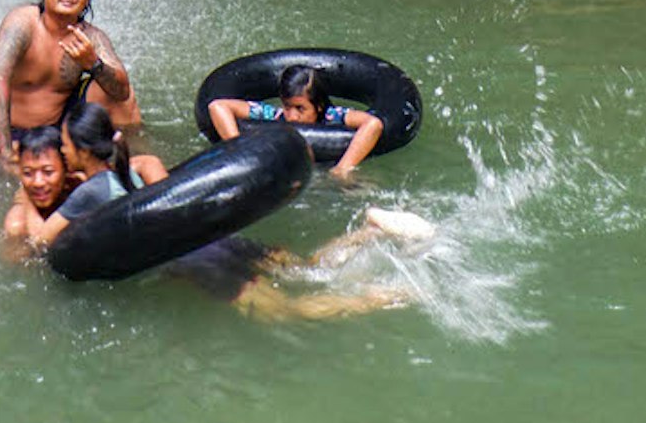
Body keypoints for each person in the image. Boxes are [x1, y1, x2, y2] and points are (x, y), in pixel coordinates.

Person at [47, 100, 410, 318]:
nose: (61, 151)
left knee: (289, 311)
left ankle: (384, 298)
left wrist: (23, 207)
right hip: (219, 241)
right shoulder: (139, 164)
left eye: (64, 145)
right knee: (307, 267)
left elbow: (37, 244)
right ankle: (371, 231)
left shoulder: (89, 193)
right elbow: (171, 194)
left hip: (200, 264)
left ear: (81, 149)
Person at [0, 0, 166, 183]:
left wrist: (93, 64)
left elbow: (122, 91)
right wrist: (5, 153)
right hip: (11, 129)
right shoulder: (23, 22)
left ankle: (133, 160)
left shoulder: (91, 37)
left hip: (58, 128)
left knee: (118, 97)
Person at [207, 65, 385, 181]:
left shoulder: (333, 117)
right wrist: (241, 150)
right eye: (287, 106)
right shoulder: (274, 116)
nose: (292, 117)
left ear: (319, 106)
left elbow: (373, 124)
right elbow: (218, 106)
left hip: (326, 172)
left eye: (300, 109)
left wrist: (343, 167)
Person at [0, 126, 78, 259]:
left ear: (67, 167)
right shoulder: (17, 226)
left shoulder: (80, 185)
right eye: (28, 173)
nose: (38, 182)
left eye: (48, 172)